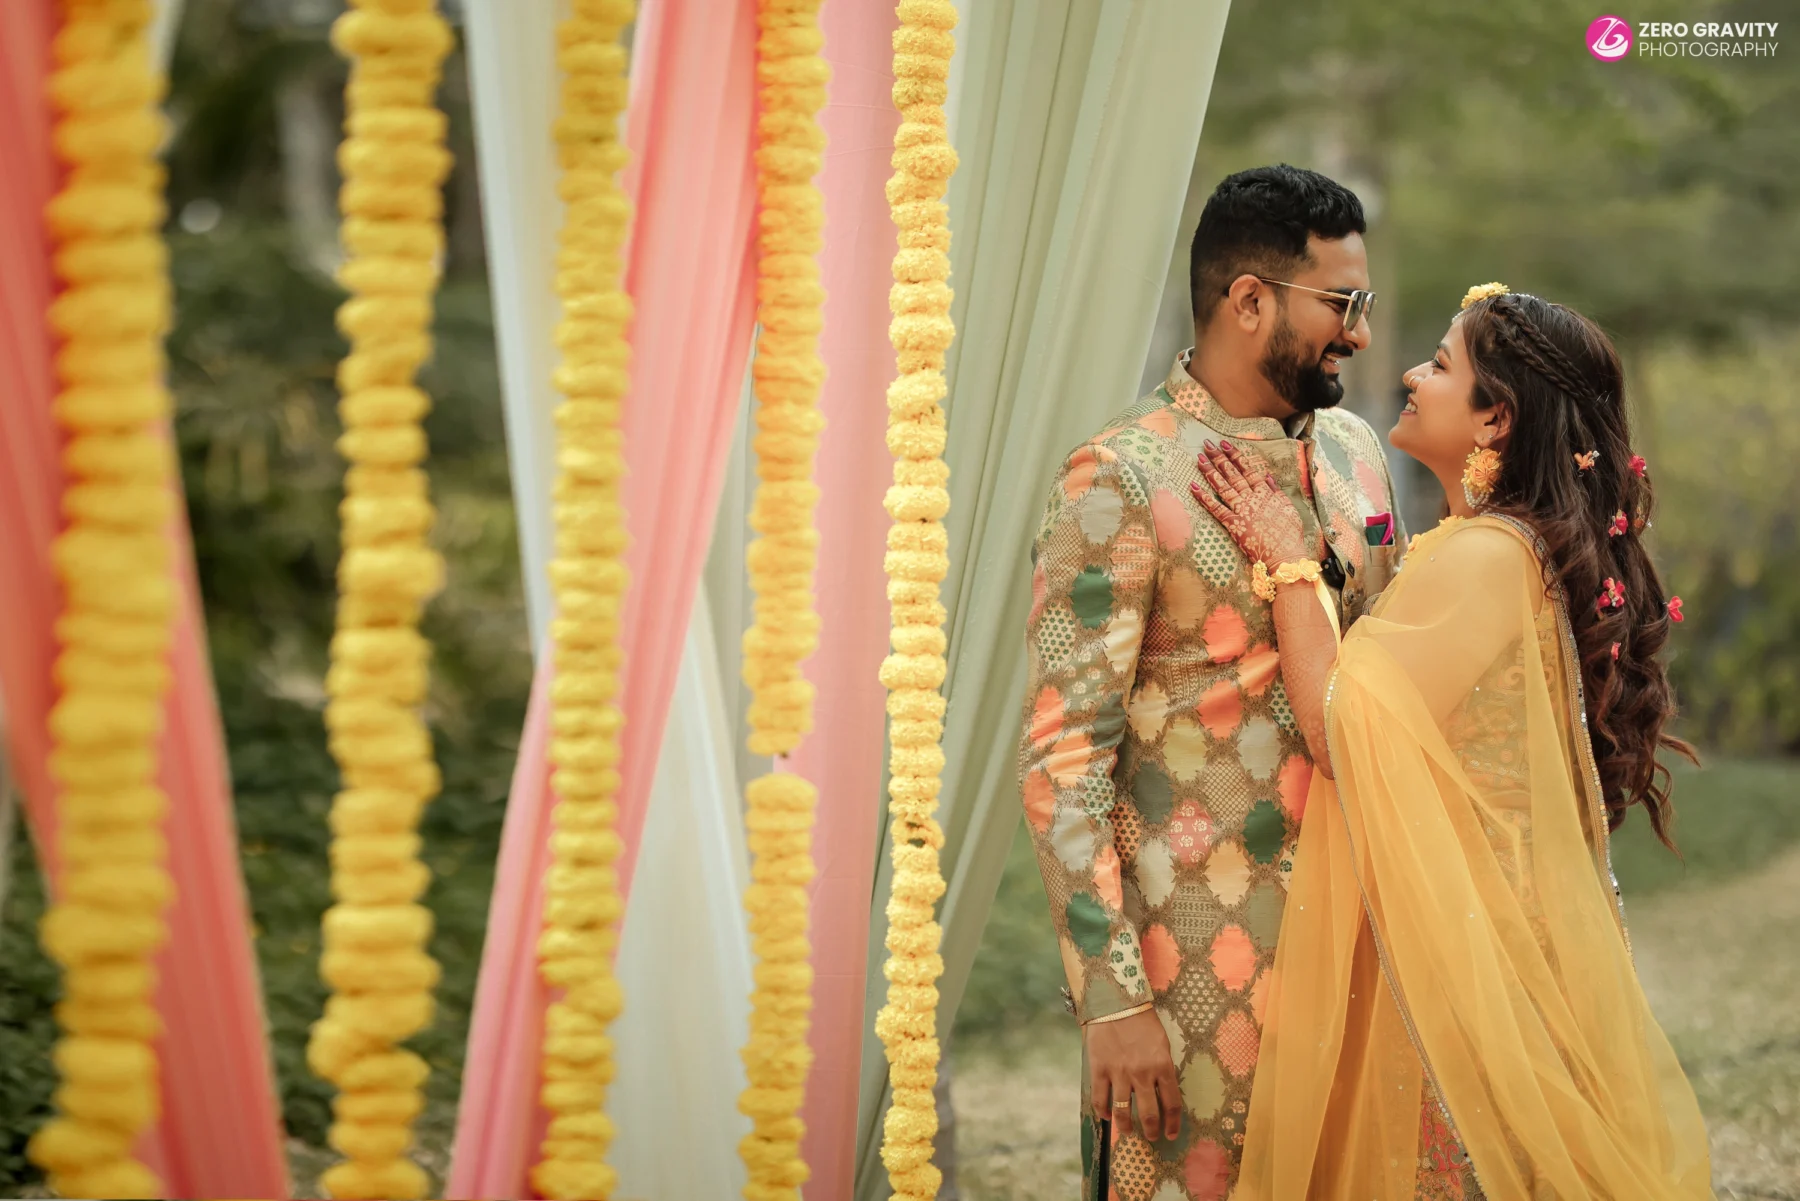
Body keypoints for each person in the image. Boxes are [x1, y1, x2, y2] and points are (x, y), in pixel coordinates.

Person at [1194, 283, 1713, 1198]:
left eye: (1440, 365)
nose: (1408, 373)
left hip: (1465, 946)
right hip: (1480, 929)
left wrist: (1285, 563)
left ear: (1495, 419)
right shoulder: (1490, 547)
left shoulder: (1487, 557)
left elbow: (1341, 729)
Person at [1016, 164, 1405, 1200]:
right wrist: (1111, 1002)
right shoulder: (1123, 475)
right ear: (1248, 300)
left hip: (1365, 947)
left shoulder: (1358, 456)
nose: (1360, 334)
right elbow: (1064, 762)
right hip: (1193, 981)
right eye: (1343, 304)